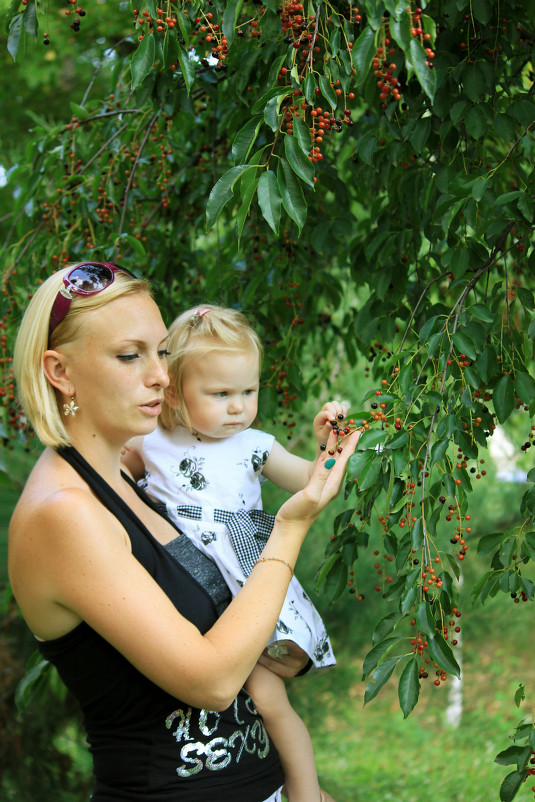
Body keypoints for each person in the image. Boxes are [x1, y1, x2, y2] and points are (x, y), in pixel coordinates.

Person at [8, 263, 360, 802]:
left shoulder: (132, 475)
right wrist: (290, 526)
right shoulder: (64, 513)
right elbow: (212, 683)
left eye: (163, 353)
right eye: (131, 356)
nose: (161, 376)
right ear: (60, 371)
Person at [122, 304, 353, 802]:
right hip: (185, 592)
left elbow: (310, 480)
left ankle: (307, 793)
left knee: (269, 699)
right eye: (221, 394)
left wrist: (327, 448)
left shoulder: (254, 445)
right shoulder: (151, 443)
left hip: (242, 589)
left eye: (248, 392)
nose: (238, 407)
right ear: (176, 395)